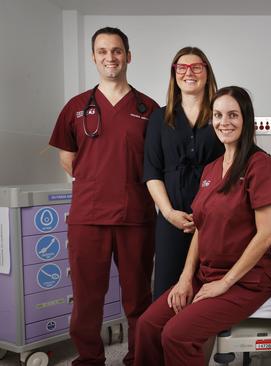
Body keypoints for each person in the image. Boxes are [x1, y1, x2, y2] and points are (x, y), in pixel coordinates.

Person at [134, 86, 271, 365]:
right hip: (207, 274)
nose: (223, 122)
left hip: (246, 281)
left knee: (176, 335)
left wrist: (224, 284)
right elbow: (201, 228)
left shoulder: (260, 166)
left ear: (246, 119)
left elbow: (266, 235)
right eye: (217, 115)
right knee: (147, 325)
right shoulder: (211, 169)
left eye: (232, 115)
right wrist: (185, 279)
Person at [48, 27, 159, 365]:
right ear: (94, 57)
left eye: (117, 51)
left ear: (128, 55)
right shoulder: (76, 107)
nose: (110, 57)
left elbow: (155, 163)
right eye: (102, 51)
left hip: (135, 217)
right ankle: (90, 359)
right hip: (88, 218)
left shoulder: (149, 108)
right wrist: (98, 180)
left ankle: (137, 357)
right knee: (86, 300)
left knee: (138, 298)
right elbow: (67, 158)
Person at [144, 46, 224, 300]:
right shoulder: (159, 118)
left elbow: (233, 164)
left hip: (214, 220)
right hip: (172, 221)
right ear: (174, 73)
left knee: (208, 293)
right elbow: (152, 171)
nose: (189, 73)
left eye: (196, 67)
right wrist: (168, 213)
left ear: (206, 72)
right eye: (182, 67)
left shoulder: (222, 115)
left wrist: (211, 213)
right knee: (166, 293)